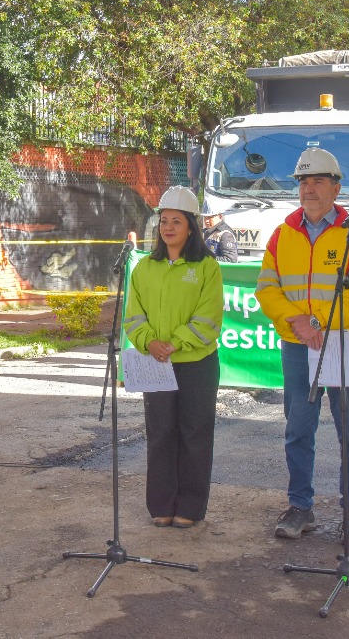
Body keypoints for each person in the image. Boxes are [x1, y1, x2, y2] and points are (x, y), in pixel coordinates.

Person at [255, 148, 349, 545]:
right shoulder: (282, 233)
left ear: (336, 187)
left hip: (345, 342)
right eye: (303, 182)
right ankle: (300, 507)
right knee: (298, 429)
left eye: (317, 181)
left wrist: (319, 323)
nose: (308, 189)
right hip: (298, 346)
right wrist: (298, 323)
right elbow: (266, 288)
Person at [123, 185, 224, 528]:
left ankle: (190, 508)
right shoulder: (144, 269)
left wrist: (175, 342)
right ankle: (161, 506)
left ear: (191, 227)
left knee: (195, 433)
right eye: (163, 221)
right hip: (156, 364)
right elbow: (133, 316)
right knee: (161, 433)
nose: (167, 228)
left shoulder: (207, 267)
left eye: (176, 222)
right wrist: (149, 342)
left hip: (197, 364)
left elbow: (209, 318)